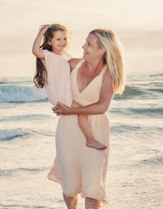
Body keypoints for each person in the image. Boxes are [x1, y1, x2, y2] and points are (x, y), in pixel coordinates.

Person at [52, 29, 126, 209]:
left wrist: (70, 110)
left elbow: (102, 107)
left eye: (89, 44)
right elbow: (53, 80)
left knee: (93, 179)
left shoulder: (108, 74)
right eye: (85, 43)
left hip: (96, 129)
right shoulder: (72, 65)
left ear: (102, 50)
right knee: (70, 181)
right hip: (68, 129)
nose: (83, 47)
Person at [32, 24, 107, 184]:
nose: (62, 42)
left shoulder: (67, 56)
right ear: (50, 42)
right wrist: (41, 32)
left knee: (79, 109)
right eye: (58, 39)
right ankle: (89, 138)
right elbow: (35, 51)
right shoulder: (48, 55)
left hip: (66, 92)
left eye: (65, 38)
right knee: (81, 110)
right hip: (59, 94)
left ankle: (85, 138)